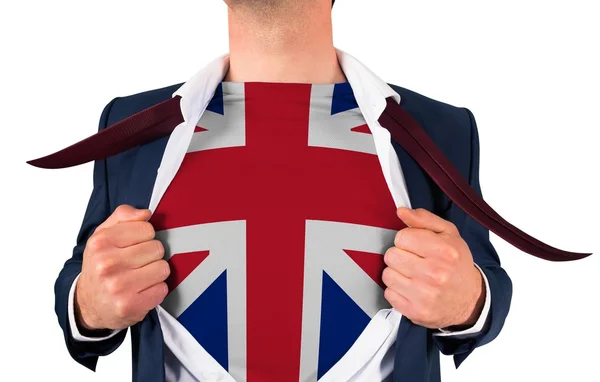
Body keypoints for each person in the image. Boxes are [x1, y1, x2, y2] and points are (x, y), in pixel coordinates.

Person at [49, 1, 516, 381]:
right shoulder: (133, 125)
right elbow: (81, 278)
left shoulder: (441, 130)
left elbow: (485, 282)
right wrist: (89, 302)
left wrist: (467, 300)